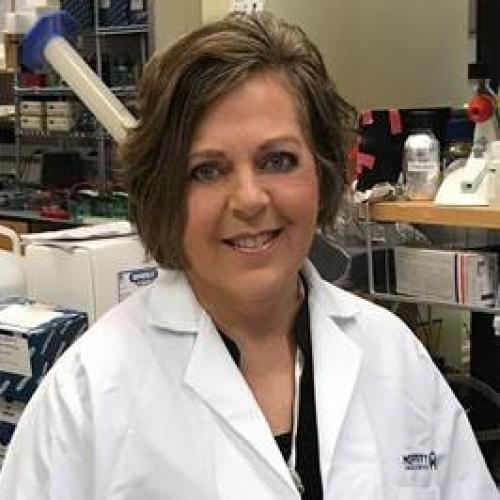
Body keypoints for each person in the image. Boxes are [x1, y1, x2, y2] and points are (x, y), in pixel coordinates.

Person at [0, 12, 498, 500]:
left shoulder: (394, 356)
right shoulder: (88, 394)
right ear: (164, 192)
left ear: (322, 171)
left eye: (278, 160)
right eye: (207, 170)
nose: (249, 199)